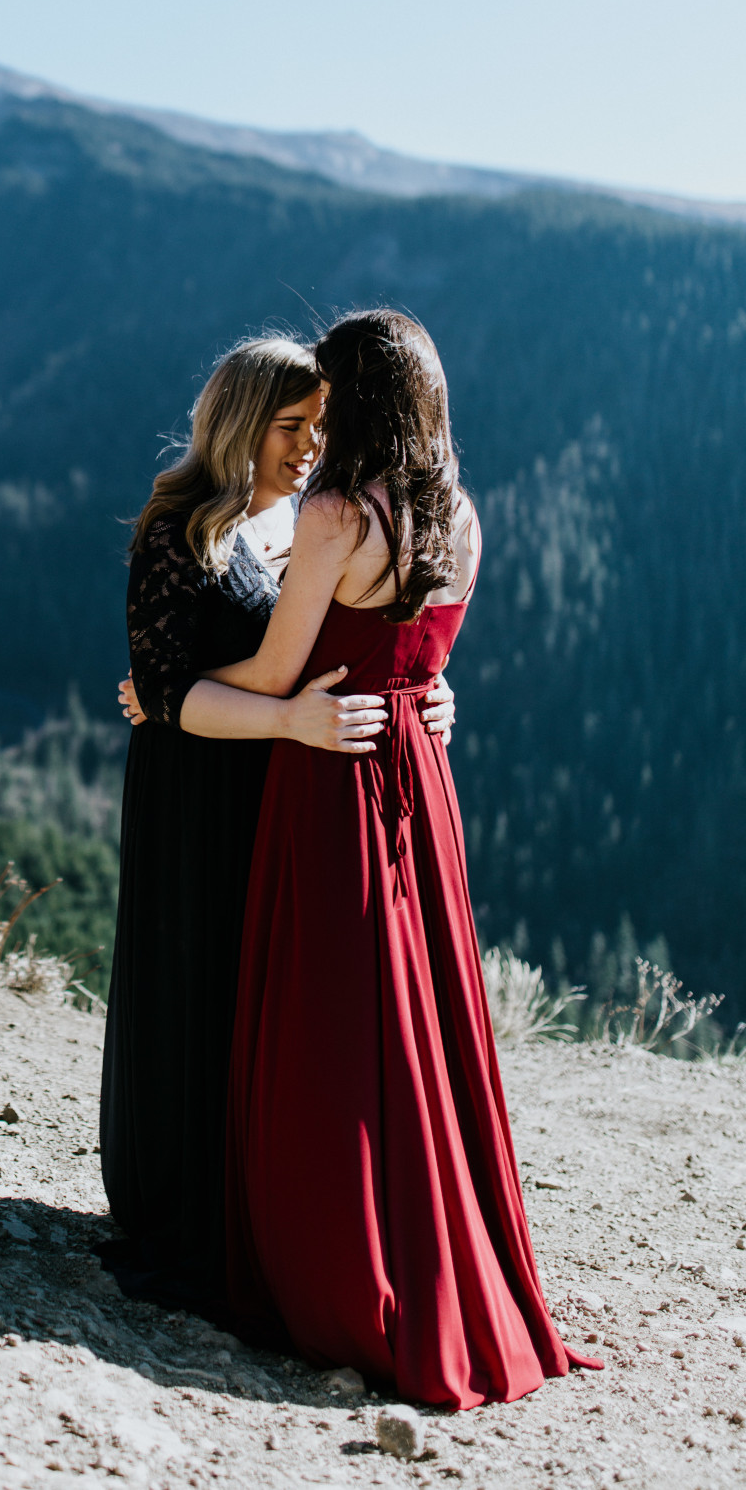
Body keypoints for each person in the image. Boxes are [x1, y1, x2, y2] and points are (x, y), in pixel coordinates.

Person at [216, 310, 599, 1407]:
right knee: (416, 1021)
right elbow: (423, 668)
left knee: (330, 1024)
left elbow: (281, 674)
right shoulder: (461, 517)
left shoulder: (336, 514)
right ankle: (441, 1244)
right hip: (417, 788)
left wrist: (176, 684)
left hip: (333, 770)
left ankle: (333, 1266)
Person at [99, 333, 454, 1316]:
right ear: (238, 426)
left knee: (255, 998)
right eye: (288, 427)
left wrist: (428, 692)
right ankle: (170, 1197)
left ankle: (253, 1200)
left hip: (279, 787)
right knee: (191, 977)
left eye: (319, 426)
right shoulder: (177, 528)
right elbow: (169, 695)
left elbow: (353, 635)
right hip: (197, 786)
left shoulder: (309, 524)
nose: (308, 445)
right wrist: (241, 709)